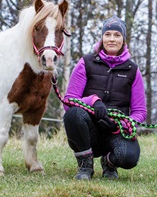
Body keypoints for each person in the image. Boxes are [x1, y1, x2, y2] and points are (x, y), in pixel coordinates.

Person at [62, 16, 147, 180]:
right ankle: (85, 166)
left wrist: (121, 123)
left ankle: (109, 163)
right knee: (72, 115)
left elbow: (140, 111)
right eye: (107, 34)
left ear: (123, 39)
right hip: (89, 130)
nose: (112, 39)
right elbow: (69, 100)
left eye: (117, 35)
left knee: (130, 157)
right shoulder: (85, 63)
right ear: (102, 37)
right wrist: (94, 102)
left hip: (116, 132)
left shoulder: (132, 70)